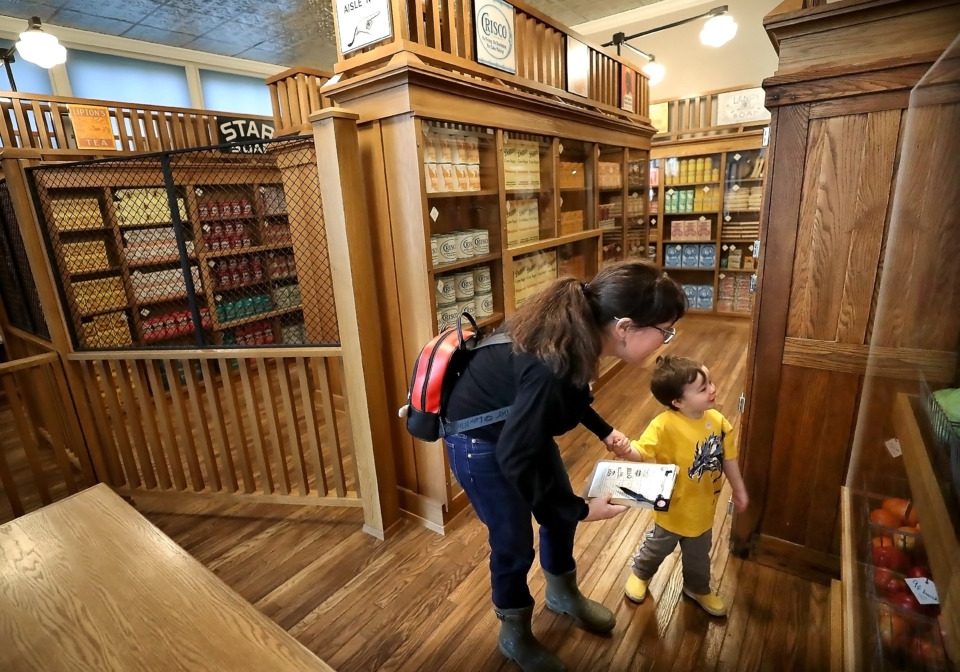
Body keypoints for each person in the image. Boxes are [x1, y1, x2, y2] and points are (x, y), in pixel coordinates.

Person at [443, 261, 687, 672]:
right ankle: (514, 631)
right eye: (665, 331)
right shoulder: (552, 360)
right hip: (479, 443)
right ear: (625, 326)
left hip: (517, 430)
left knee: (558, 515)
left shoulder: (576, 332)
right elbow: (515, 453)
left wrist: (605, 432)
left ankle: (562, 593)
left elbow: (565, 397)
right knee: (513, 542)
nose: (666, 340)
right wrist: (582, 508)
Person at [614, 355, 749, 617]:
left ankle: (697, 588)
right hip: (672, 510)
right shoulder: (664, 425)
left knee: (699, 556)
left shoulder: (718, 422)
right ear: (678, 401)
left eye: (711, 382)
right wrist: (625, 449)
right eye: (703, 388)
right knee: (657, 548)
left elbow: (728, 459)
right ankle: (641, 573)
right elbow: (641, 452)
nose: (713, 389)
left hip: (703, 509)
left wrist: (740, 490)